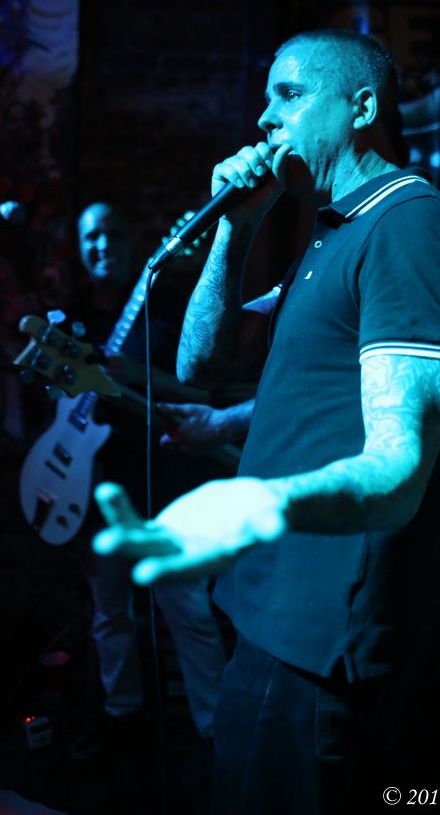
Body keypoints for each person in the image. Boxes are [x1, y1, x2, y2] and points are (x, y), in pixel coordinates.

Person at [93, 29, 440, 812]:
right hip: (271, 609)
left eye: (290, 94)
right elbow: (201, 364)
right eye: (265, 98)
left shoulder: (411, 228)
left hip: (319, 630)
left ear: (362, 107)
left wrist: (255, 502)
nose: (264, 118)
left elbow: (399, 466)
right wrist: (236, 226)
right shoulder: (335, 232)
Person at [65, 201, 229, 758]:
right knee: (109, 611)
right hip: (94, 486)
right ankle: (121, 715)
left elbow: (207, 394)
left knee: (187, 609)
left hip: (165, 482)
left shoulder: (169, 307)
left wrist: (140, 374)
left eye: (113, 233)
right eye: (91, 237)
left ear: (135, 241)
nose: (103, 246)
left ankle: (215, 731)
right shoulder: (72, 317)